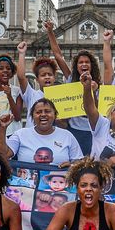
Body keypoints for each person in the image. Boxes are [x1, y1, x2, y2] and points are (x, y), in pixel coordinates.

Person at [45, 19, 103, 154]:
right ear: (76, 66)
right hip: (74, 130)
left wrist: (93, 91)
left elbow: (99, 111)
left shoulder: (99, 85)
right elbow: (58, 56)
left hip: (93, 130)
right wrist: (50, 32)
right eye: (80, 62)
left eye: (87, 62)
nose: (84, 65)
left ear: (91, 65)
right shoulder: (72, 80)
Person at [0, 98, 83, 167]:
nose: (43, 115)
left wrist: (72, 165)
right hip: (26, 187)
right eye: (38, 112)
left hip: (58, 186)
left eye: (47, 111)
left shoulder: (67, 135)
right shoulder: (20, 134)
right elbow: (3, 155)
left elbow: (80, 163)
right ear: (32, 116)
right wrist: (2, 128)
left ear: (55, 115)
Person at [16, 40, 59, 127]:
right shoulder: (31, 95)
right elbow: (21, 77)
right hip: (32, 137)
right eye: (43, 75)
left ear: (54, 77)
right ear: (37, 79)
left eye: (50, 74)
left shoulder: (60, 97)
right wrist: (21, 54)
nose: (47, 77)